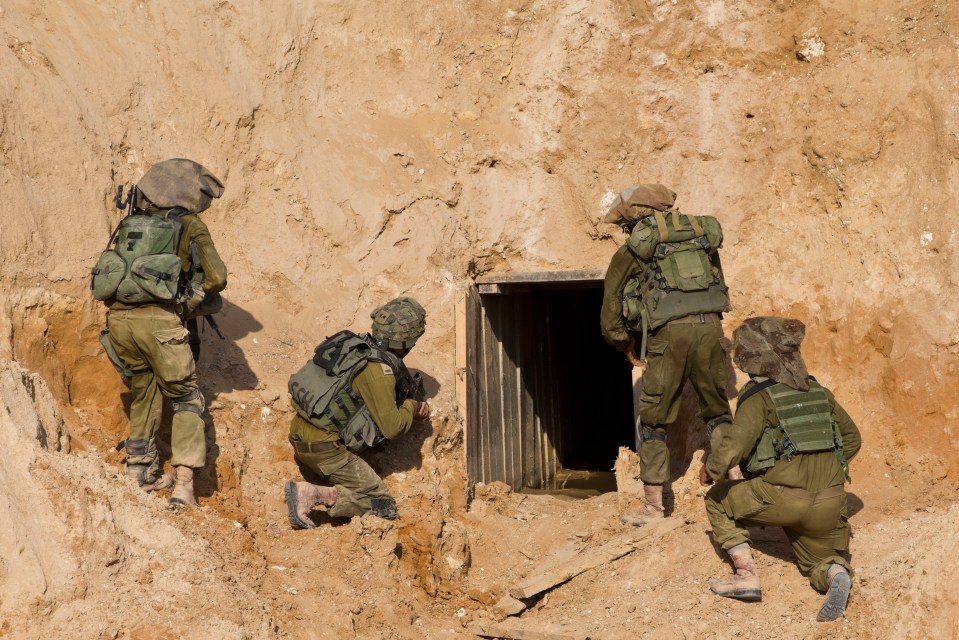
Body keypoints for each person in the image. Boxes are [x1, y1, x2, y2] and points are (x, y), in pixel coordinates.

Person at [701, 317, 861, 622]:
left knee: (716, 499)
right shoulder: (818, 391)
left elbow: (733, 446)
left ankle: (745, 577)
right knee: (819, 561)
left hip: (781, 497)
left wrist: (711, 470)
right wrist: (827, 470)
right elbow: (852, 440)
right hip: (829, 501)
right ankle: (836, 574)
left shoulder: (760, 395)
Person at [93, 158, 228, 508]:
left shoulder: (130, 223)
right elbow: (217, 277)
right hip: (160, 325)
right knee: (185, 398)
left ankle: (137, 473)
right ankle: (184, 487)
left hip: (120, 324)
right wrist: (188, 295)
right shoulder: (189, 225)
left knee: (144, 391)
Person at [600, 184, 733, 526]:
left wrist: (623, 342)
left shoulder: (638, 246)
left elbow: (612, 303)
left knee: (655, 421)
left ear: (636, 217)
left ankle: (654, 509)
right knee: (719, 413)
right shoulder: (700, 235)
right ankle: (739, 493)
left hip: (669, 336)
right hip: (710, 328)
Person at [283, 296, 431, 528]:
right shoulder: (379, 371)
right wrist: (411, 408)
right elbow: (392, 428)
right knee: (383, 505)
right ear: (408, 340)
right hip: (326, 450)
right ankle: (312, 494)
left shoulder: (355, 347)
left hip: (300, 435)